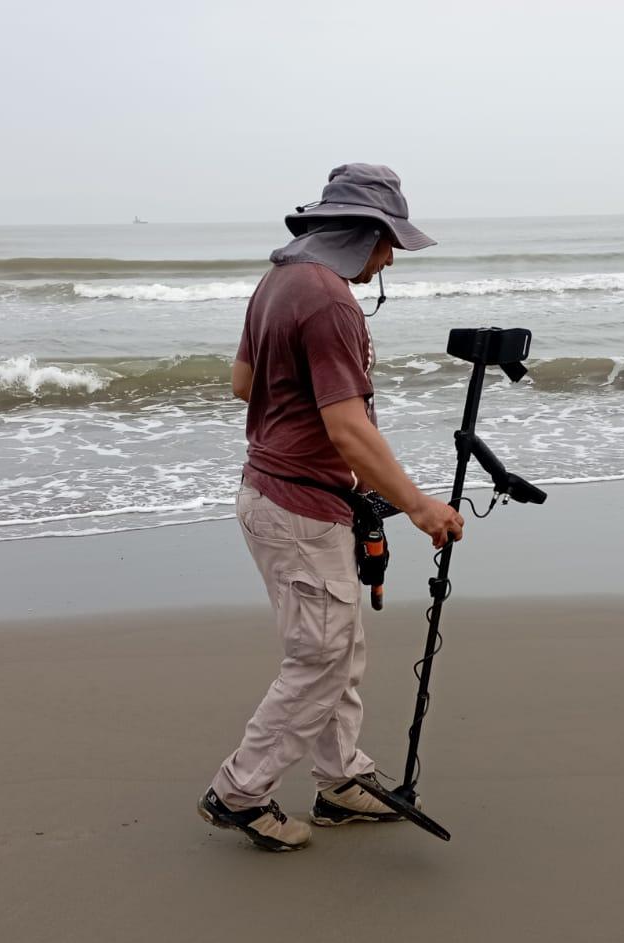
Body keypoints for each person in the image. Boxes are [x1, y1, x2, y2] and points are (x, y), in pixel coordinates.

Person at [198, 164, 464, 852]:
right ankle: (239, 792)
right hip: (299, 507)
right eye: (388, 246)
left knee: (335, 647)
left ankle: (340, 779)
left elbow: (242, 385)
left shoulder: (278, 281)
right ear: (363, 233)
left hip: (274, 492)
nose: (388, 261)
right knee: (319, 657)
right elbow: (348, 427)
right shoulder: (328, 301)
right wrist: (420, 506)